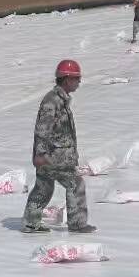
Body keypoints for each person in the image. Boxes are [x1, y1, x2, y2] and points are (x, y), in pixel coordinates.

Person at [22, 59, 96, 235]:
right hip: (54, 157)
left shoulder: (59, 100)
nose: (79, 82)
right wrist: (40, 154)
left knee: (44, 187)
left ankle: (31, 223)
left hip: (52, 156)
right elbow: (42, 129)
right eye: (76, 78)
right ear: (67, 79)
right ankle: (77, 224)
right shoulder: (52, 101)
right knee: (76, 184)